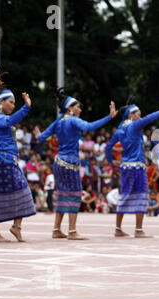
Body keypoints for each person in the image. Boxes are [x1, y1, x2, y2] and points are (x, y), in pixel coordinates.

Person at [34, 88, 117, 240]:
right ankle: (72, 231)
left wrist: (38, 135)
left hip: (58, 162)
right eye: (77, 106)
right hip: (70, 163)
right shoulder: (73, 120)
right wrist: (109, 117)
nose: (79, 109)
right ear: (70, 108)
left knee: (62, 195)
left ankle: (56, 229)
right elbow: (90, 127)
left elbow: (41, 138)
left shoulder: (58, 121)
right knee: (74, 195)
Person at [106, 95, 159, 237]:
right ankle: (138, 230)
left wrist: (111, 160)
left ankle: (118, 228)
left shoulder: (120, 130)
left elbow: (108, 147)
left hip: (126, 167)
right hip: (137, 167)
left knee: (124, 196)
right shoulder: (134, 125)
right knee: (142, 195)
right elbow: (150, 118)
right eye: (137, 113)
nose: (140, 115)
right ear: (130, 115)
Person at [0, 69, 36, 242]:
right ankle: (1, 231)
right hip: (2, 161)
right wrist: (26, 107)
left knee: (7, 193)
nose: (13, 105)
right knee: (19, 191)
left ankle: (13, 227)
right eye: (11, 102)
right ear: (1, 102)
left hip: (5, 161)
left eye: (15, 103)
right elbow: (10, 120)